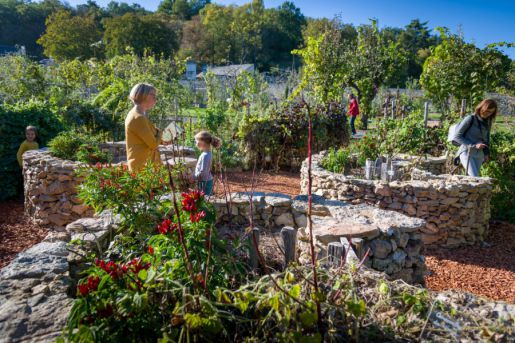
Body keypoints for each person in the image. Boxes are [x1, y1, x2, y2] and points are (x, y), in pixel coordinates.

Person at [125, 83, 163, 171]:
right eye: (152, 95)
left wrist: (161, 140)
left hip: (145, 165)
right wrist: (160, 133)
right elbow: (153, 144)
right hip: (143, 167)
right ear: (143, 95)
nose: (155, 99)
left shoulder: (138, 114)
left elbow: (147, 139)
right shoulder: (138, 117)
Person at [453, 99, 497, 177]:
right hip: (467, 152)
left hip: (479, 155)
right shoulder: (470, 118)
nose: (488, 114)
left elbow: (486, 139)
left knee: (473, 181)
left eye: (491, 112)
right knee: (475, 178)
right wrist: (474, 145)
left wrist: (486, 153)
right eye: (487, 111)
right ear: (481, 108)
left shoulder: (488, 122)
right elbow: (457, 136)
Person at [194, 131, 221, 196]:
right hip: (206, 180)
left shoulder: (205, 155)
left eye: (196, 141)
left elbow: (203, 172)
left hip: (204, 182)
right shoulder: (207, 153)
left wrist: (193, 177)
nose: (195, 143)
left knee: (205, 200)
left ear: (202, 142)